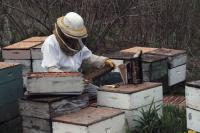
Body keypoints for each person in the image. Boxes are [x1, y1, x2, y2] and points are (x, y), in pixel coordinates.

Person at [41, 12, 115, 97]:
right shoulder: (50, 43)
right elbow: (52, 70)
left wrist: (103, 61)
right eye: (72, 35)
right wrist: (73, 79)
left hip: (78, 82)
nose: (74, 38)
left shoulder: (77, 42)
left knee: (100, 95)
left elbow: (88, 57)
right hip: (57, 84)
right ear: (64, 31)